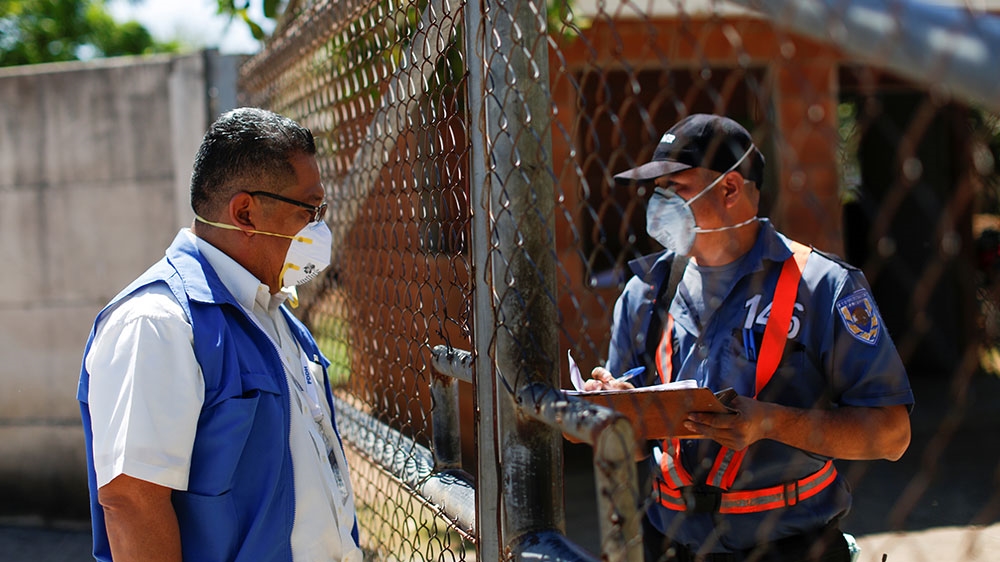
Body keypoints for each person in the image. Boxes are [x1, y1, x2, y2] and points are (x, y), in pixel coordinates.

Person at [586, 114, 913, 562]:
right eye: (657, 191)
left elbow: (892, 435)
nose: (660, 203)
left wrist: (772, 423)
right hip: (670, 544)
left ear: (730, 189)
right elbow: (638, 447)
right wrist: (611, 409)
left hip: (791, 548)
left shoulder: (823, 286)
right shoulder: (645, 290)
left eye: (677, 188)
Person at [78, 107, 362, 562]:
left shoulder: (275, 315)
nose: (318, 226)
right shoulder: (158, 322)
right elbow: (132, 501)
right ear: (246, 212)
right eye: (310, 209)